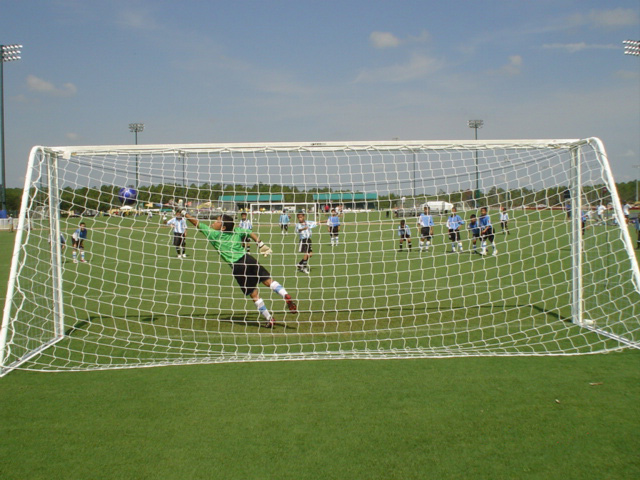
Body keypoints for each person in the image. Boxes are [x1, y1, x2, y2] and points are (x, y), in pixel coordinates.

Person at [183, 211, 296, 328]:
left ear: (223, 228)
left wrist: (185, 214)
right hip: (249, 259)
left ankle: (269, 318)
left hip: (238, 266)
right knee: (268, 281)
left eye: (217, 221)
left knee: (254, 294)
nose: (213, 222)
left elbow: (197, 223)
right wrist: (260, 244)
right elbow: (250, 233)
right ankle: (285, 295)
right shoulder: (237, 231)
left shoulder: (214, 234)